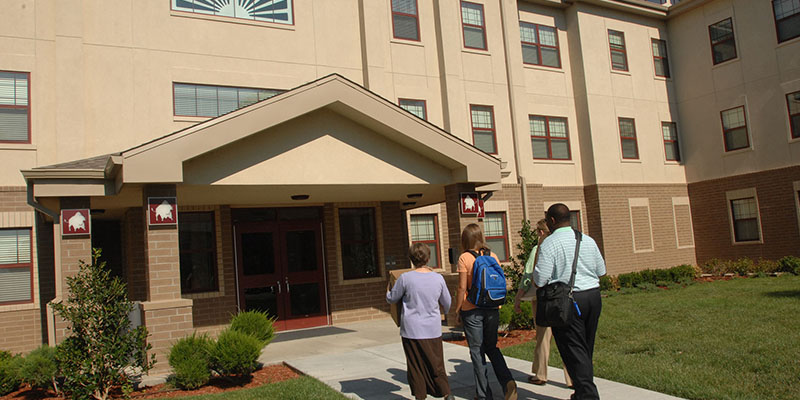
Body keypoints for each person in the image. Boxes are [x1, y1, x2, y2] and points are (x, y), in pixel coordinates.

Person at [534, 204, 606, 400]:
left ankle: (588, 395)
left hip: (568, 301)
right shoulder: (587, 240)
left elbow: (540, 280)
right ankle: (581, 391)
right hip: (593, 297)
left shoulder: (549, 243)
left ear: (553, 220)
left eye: (548, 219)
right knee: (585, 347)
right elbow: (601, 270)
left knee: (573, 349)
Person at [454, 223, 518, 400]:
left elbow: (461, 287)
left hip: (472, 309)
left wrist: (458, 310)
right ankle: (508, 381)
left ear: (465, 239)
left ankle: (484, 395)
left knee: (477, 351)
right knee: (492, 347)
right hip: (492, 308)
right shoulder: (493, 255)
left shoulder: (464, 258)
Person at [387, 243, 454, 400]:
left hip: (411, 330)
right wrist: (444, 313)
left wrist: (388, 289)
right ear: (428, 258)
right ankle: (446, 393)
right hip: (432, 329)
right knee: (436, 363)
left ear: (411, 259)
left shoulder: (405, 278)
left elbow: (392, 298)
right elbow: (447, 302)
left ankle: (420, 396)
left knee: (416, 366)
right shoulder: (438, 278)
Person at [513, 219, 572, 387]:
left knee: (542, 337)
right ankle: (572, 377)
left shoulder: (538, 249)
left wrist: (518, 297)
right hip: (563, 296)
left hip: (543, 299)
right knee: (566, 337)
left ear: (540, 232)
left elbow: (528, 275)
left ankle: (541, 374)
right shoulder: (562, 247)